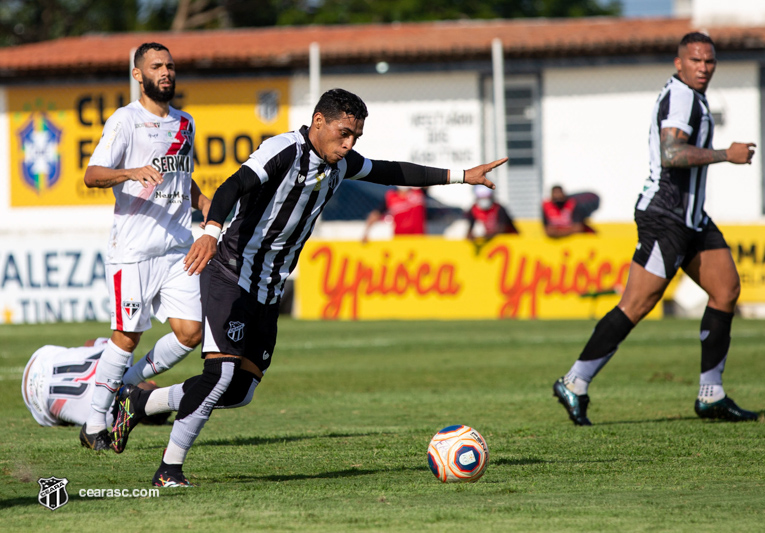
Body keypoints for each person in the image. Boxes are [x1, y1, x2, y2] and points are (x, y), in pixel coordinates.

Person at [111, 88, 507, 486]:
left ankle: (142, 400)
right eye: (344, 133)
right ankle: (168, 471)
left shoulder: (340, 162)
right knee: (219, 377)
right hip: (230, 274)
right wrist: (211, 231)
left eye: (356, 137)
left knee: (238, 392)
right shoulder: (283, 149)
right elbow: (232, 186)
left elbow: (392, 172)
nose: (349, 144)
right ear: (319, 121)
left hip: (268, 290)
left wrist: (461, 176)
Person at [552, 32, 758, 426]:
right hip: (665, 216)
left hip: (692, 218)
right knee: (637, 304)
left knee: (726, 289)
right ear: (679, 64)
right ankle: (574, 382)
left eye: (709, 61)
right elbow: (671, 153)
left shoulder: (693, 97)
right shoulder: (680, 96)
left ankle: (711, 394)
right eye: (696, 61)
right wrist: (725, 155)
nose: (703, 67)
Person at [81, 42, 211, 450]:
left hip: (177, 246)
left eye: (170, 66)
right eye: (156, 67)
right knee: (126, 336)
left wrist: (203, 201)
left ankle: (128, 387)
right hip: (133, 249)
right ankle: (93, 423)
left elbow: (180, 175)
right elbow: (92, 174)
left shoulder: (185, 122)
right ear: (138, 75)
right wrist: (130, 172)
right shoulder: (125, 121)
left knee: (191, 333)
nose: (166, 72)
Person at [21, 339, 169, 430]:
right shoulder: (109, 419)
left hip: (38, 361)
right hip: (37, 404)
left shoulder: (125, 354)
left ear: (152, 382)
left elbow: (89, 343)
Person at [362, 186, 427, 242]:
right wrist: (366, 233)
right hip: (399, 238)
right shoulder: (391, 197)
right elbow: (376, 214)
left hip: (418, 238)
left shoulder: (419, 192)